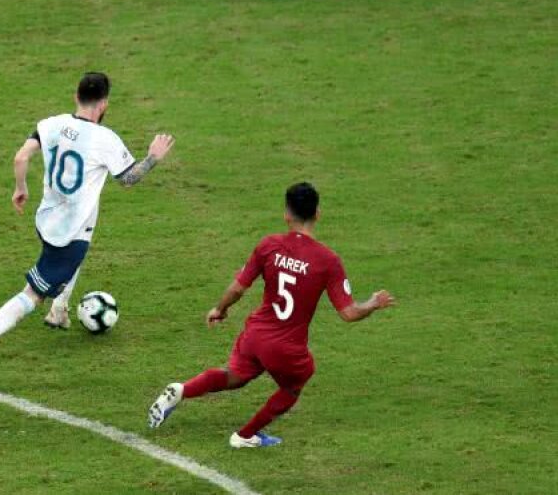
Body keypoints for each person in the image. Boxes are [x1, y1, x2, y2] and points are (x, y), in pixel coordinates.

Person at [0, 72, 175, 378]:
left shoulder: (51, 124)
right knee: (32, 294)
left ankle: (59, 311)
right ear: (103, 104)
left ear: (76, 96)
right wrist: (153, 157)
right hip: (67, 235)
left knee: (86, 224)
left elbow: (21, 157)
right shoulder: (106, 139)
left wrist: (20, 188)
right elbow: (128, 178)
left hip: (47, 218)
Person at [147, 182, 395, 448]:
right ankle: (245, 436)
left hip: (255, 334)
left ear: (287, 214)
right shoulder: (327, 260)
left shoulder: (269, 245)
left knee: (235, 376)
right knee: (295, 384)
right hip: (286, 347)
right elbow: (348, 313)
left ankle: (182, 390)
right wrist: (372, 303)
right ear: (318, 213)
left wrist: (220, 309)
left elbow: (238, 287)